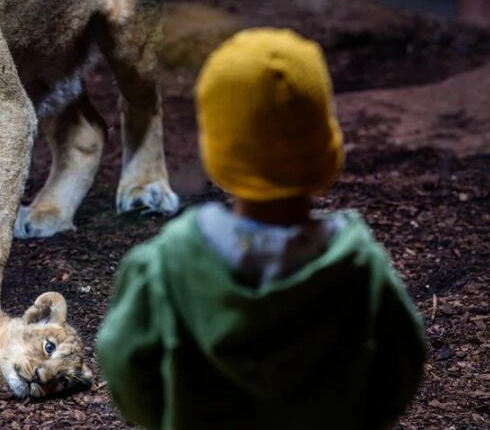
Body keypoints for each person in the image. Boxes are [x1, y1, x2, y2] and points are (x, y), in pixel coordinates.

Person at [96, 28, 427, 430]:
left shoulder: (164, 268)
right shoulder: (360, 269)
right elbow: (402, 368)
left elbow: (123, 364)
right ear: (325, 149)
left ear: (217, 154)